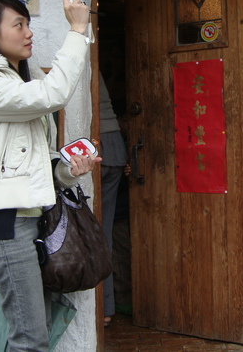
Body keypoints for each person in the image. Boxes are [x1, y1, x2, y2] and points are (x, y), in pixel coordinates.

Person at [0, 0, 101, 351]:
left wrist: (69, 171)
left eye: (28, 24)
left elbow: (36, 160)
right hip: (7, 223)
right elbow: (54, 94)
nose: (28, 32)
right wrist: (78, 30)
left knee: (32, 333)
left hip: (34, 217)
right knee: (31, 338)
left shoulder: (22, 76)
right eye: (18, 25)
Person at [98, 73, 129, 326]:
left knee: (95, 234)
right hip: (113, 145)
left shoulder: (76, 58)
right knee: (103, 232)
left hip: (96, 147)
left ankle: (103, 308)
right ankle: (106, 309)